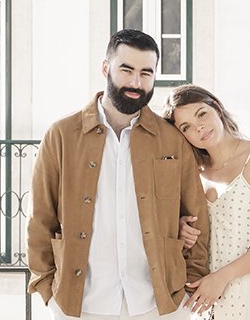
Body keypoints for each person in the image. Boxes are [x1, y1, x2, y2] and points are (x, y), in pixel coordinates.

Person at [28, 29, 211, 319]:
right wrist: (48, 291)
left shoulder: (172, 139)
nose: (136, 82)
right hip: (81, 304)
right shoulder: (61, 136)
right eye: (126, 70)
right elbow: (40, 219)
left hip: (161, 303)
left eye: (146, 73)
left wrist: (188, 288)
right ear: (105, 68)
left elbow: (197, 215)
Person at [164, 85, 250, 319]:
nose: (199, 128)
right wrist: (182, 229)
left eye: (201, 114)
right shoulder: (193, 175)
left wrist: (223, 277)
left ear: (216, 108)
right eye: (186, 127)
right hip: (212, 295)